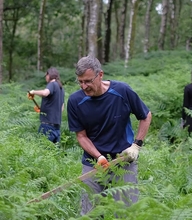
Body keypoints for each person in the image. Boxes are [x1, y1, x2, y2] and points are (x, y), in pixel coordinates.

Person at [67, 55, 152, 216]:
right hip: (93, 163)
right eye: (80, 82)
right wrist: (98, 156)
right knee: (88, 214)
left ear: (100, 75)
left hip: (124, 160)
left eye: (88, 81)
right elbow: (81, 136)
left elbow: (146, 116)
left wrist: (136, 145)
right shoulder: (75, 101)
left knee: (127, 212)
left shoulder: (122, 91)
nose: (84, 86)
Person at [27, 67, 65, 144]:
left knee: (42, 150)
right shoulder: (61, 88)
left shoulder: (52, 84)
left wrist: (33, 92)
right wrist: (43, 110)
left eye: (46, 76)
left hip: (47, 127)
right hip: (57, 127)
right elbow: (61, 108)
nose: (45, 78)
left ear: (49, 75)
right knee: (53, 154)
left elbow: (45, 93)